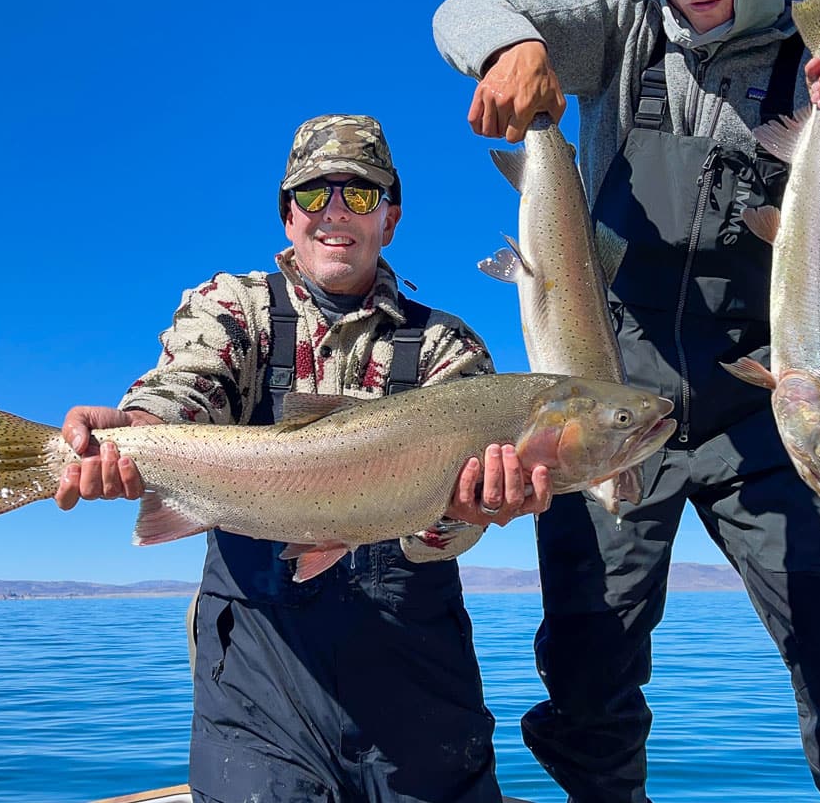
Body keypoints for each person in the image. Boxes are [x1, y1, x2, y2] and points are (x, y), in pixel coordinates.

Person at [433, 0, 820, 803]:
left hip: (767, 399)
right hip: (612, 395)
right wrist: (514, 48)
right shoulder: (618, 23)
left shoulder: (818, 62)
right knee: (590, 657)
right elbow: (463, 4)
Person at [54, 113, 552, 803]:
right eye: (315, 195)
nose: (336, 213)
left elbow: (445, 535)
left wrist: (473, 511)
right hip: (262, 683)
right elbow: (190, 385)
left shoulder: (449, 349)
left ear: (392, 217)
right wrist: (138, 429)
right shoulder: (235, 308)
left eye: (362, 193)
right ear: (289, 216)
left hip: (417, 684)